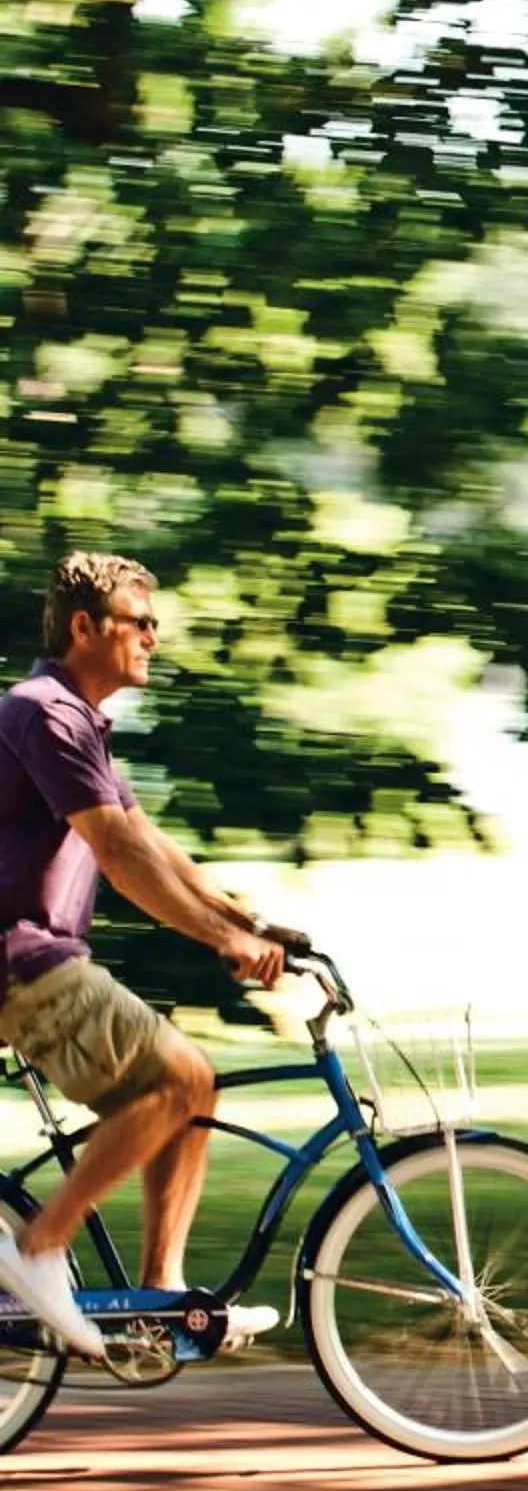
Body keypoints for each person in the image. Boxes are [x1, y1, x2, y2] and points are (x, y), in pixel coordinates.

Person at [0, 553, 291, 1360]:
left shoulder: (77, 721)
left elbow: (151, 844)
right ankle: (36, 1249)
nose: (155, 639)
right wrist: (223, 942)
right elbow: (121, 858)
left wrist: (252, 918)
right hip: (22, 959)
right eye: (141, 622)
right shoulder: (43, 712)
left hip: (39, 958)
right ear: (85, 627)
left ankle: (159, 1304)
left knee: (192, 1088)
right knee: (179, 1078)